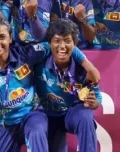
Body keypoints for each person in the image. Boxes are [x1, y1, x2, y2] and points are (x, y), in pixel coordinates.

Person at [0, 18, 99, 152]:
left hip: (30, 116)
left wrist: (88, 66)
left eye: (2, 37)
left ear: (10, 38)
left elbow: (58, 44)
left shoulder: (26, 55)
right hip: (2, 125)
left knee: (37, 127)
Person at [34, 19, 102, 152]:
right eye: (57, 41)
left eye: (67, 41)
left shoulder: (84, 69)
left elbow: (97, 96)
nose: (62, 46)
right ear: (49, 43)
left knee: (85, 116)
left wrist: (95, 103)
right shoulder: (38, 62)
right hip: (46, 115)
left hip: (71, 113)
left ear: (74, 44)